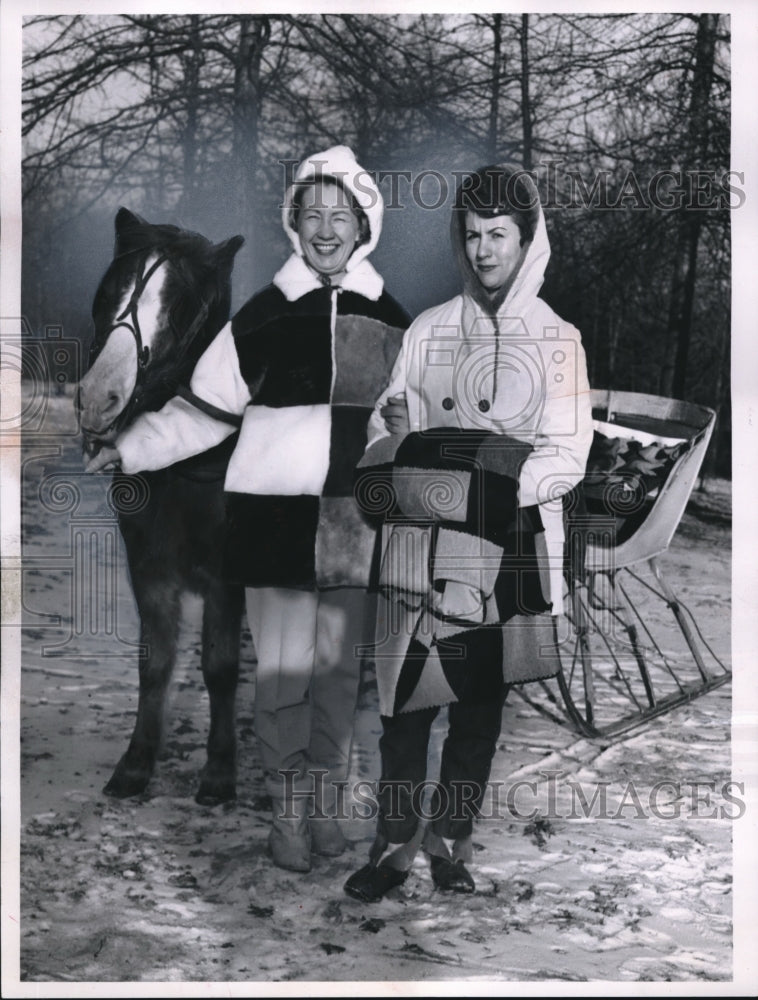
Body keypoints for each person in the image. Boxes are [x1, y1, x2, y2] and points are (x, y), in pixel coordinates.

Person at [87, 145, 410, 872]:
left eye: (342, 214)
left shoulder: (395, 322)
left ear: (365, 225)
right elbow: (202, 412)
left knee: (335, 681)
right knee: (282, 683)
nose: (326, 228)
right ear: (295, 222)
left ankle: (326, 805)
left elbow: (411, 424)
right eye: (312, 213)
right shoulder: (263, 315)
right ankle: (288, 817)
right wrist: (131, 449)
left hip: (353, 535)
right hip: (271, 530)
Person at [344, 164, 594, 902]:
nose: (483, 251)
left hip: (503, 551)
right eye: (473, 235)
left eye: (499, 236)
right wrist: (400, 433)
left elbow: (567, 454)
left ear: (528, 241)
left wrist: (487, 485)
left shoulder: (557, 339)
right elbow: (384, 428)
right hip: (416, 550)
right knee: (402, 712)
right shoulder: (428, 328)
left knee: (477, 713)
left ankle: (450, 843)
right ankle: (392, 847)